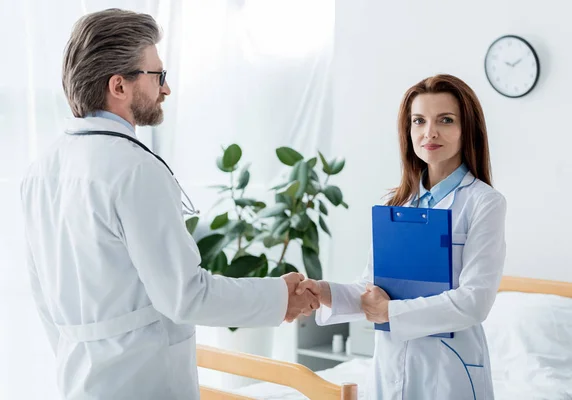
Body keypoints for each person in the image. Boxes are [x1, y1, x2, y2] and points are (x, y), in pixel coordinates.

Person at [20, 9, 318, 400]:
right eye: (157, 75)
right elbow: (185, 296)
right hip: (143, 381)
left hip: (78, 380)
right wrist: (280, 298)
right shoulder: (133, 168)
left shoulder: (40, 169)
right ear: (119, 86)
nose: (166, 88)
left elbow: (43, 297)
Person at [298, 74, 507, 399]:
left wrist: (389, 313)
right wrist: (324, 291)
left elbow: (474, 302)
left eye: (446, 120)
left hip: (450, 368)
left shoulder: (484, 203)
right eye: (419, 121)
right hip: (391, 362)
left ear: (467, 130)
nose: (430, 132)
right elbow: (372, 289)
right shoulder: (394, 204)